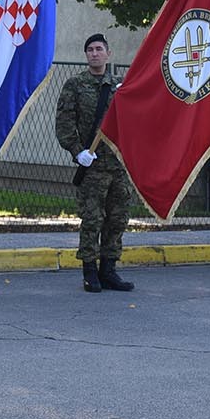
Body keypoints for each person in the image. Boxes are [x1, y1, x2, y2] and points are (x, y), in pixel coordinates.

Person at [54, 33, 135, 292]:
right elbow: (64, 124)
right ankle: (90, 271)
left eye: (99, 49)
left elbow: (136, 124)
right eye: (90, 49)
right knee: (92, 219)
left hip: (118, 166)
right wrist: (78, 152)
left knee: (117, 219)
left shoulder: (121, 87)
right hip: (92, 166)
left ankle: (109, 269)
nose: (94, 53)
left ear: (108, 54)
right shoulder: (75, 85)